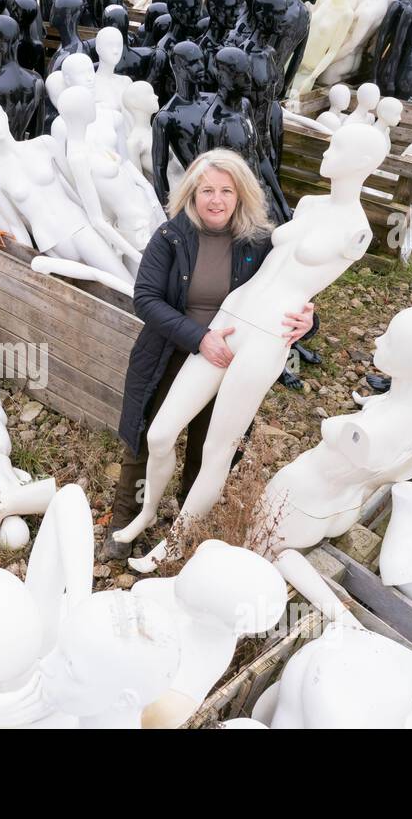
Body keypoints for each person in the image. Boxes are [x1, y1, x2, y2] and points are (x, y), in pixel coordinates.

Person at [100, 149, 313, 561]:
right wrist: (200, 338)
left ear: (241, 195)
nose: (216, 200)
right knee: (148, 437)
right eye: (207, 191)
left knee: (210, 444)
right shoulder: (171, 237)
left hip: (231, 363)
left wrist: (309, 322)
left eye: (226, 191)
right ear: (192, 195)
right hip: (171, 351)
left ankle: (185, 522)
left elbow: (289, 297)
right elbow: (145, 299)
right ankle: (124, 522)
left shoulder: (260, 244)